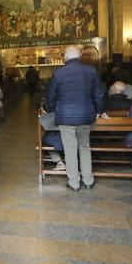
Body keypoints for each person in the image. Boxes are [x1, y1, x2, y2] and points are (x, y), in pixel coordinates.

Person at [45, 45, 107, 192]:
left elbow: (51, 96)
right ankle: (88, 180)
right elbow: (99, 93)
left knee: (70, 150)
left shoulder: (59, 73)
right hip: (85, 116)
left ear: (65, 57)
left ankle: (74, 183)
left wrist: (50, 109)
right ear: (79, 56)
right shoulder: (91, 71)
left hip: (65, 117)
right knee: (85, 147)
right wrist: (100, 110)